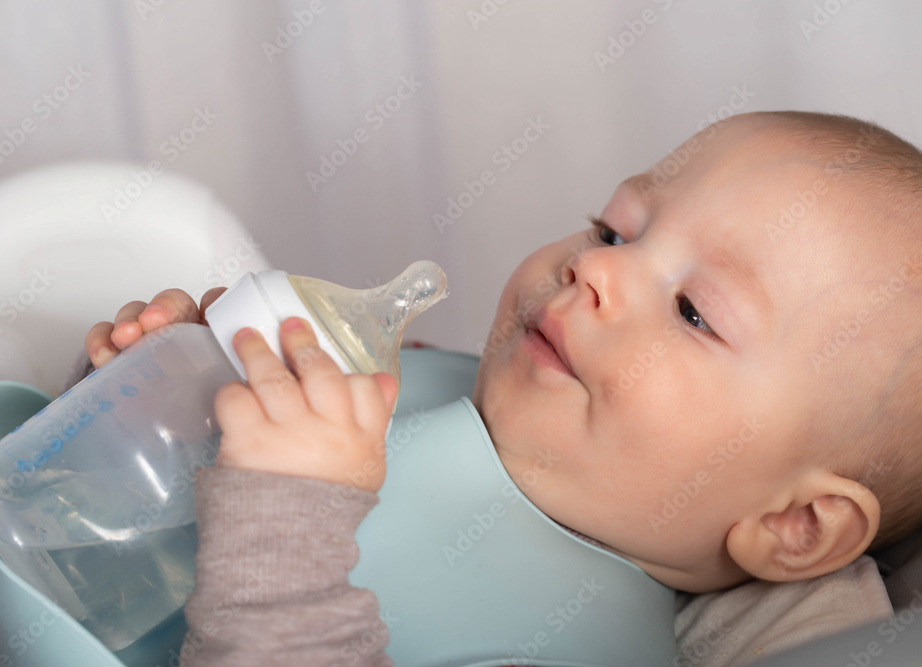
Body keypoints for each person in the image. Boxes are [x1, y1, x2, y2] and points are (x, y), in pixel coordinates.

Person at [81, 111, 922, 665]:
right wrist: (146, 392)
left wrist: (283, 525)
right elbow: (105, 523)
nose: (597, 267)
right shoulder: (411, 371)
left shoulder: (571, 639)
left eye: (695, 312)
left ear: (795, 524)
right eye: (614, 229)